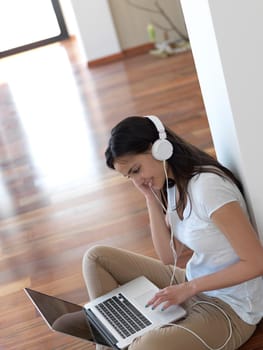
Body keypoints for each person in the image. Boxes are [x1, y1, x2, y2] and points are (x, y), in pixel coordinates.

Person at [82, 115, 263, 350]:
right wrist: (150, 197)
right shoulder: (170, 184)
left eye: (136, 169)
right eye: (130, 176)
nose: (138, 180)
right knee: (96, 258)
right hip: (191, 285)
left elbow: (257, 262)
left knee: (144, 347)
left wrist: (189, 288)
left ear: (160, 148)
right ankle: (111, 343)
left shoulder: (209, 189)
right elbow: (168, 256)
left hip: (231, 310)